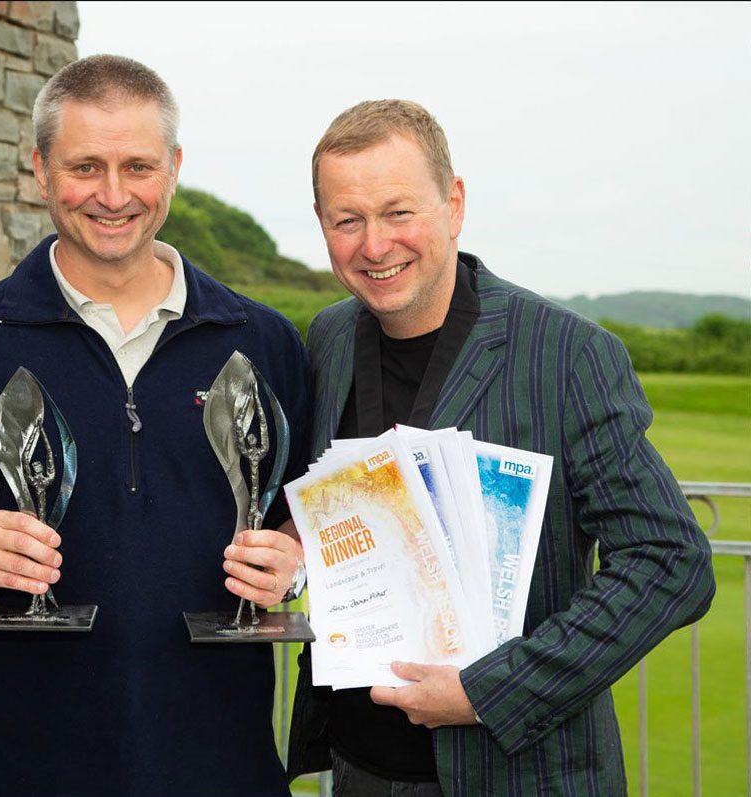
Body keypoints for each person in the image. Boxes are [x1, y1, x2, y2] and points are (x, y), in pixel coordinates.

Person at [0, 55, 310, 797]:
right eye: (85, 166)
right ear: (41, 170)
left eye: (138, 166)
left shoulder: (266, 342)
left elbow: (316, 515)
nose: (114, 195)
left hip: (228, 770)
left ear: (174, 168)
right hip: (23, 775)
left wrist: (294, 560)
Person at [285, 99, 716, 796]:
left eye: (399, 212)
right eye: (348, 219)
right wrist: (293, 553)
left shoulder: (568, 353)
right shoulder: (327, 338)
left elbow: (672, 562)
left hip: (518, 773)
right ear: (322, 224)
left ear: (454, 205)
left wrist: (489, 690)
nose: (374, 244)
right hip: (357, 768)